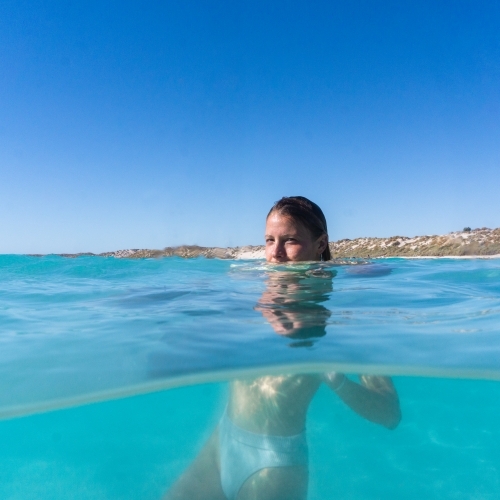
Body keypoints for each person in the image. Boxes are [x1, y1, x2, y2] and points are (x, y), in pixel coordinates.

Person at [165, 196, 401, 500]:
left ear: (320, 244)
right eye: (269, 240)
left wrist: (336, 379)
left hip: (275, 464)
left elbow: (389, 414)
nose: (275, 254)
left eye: (289, 241)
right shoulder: (252, 284)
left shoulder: (343, 316)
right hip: (222, 442)